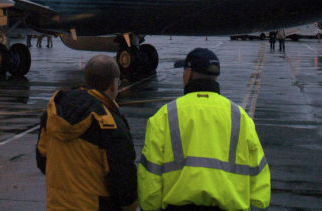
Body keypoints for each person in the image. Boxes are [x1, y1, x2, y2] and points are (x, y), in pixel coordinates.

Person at [138, 48, 270, 211]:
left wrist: (149, 206)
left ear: (188, 73)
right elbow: (258, 169)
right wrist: (257, 202)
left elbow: (150, 173)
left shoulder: (164, 116)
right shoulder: (240, 117)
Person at [36, 54, 137, 211]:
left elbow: (42, 160)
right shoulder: (108, 124)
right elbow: (123, 183)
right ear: (113, 85)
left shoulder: (54, 112)